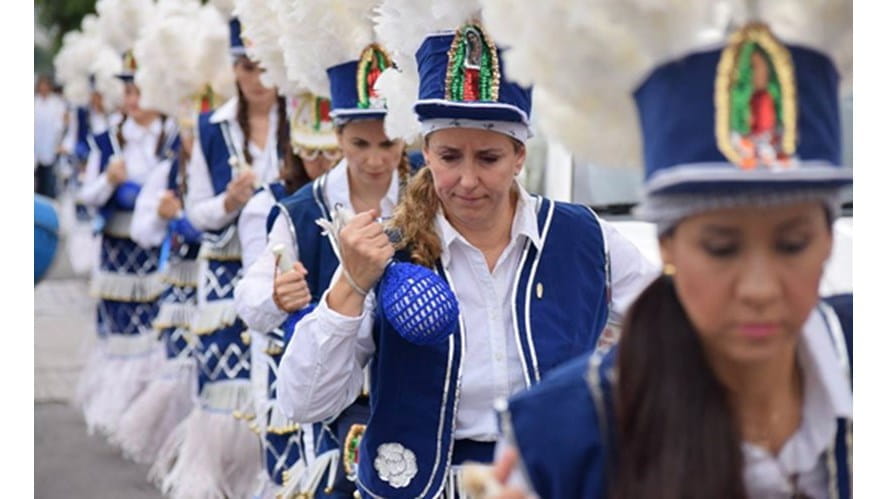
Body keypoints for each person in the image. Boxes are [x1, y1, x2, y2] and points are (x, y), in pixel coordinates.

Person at [478, 3, 853, 498]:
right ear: (667, 245)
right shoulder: (561, 438)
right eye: (721, 248)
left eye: (792, 245)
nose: (760, 289)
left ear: (827, 239)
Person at [275, 16, 656, 498]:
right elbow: (303, 401)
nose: (469, 180)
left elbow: (671, 326)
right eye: (450, 157)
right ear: (426, 153)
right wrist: (349, 285)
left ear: (519, 155)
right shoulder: (386, 250)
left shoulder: (582, 237)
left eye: (489, 158)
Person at [235, 38, 412, 496]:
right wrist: (276, 295)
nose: (375, 159)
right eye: (360, 143)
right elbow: (250, 299)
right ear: (337, 137)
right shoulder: (300, 211)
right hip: (333, 403)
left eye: (388, 143)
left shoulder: (428, 197)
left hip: (414, 392)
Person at [149, 18, 285, 499]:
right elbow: (197, 212)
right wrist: (229, 201)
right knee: (226, 385)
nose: (257, 78)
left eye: (264, 66)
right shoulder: (212, 127)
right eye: (246, 67)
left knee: (277, 382)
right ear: (234, 69)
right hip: (225, 275)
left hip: (285, 269)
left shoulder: (301, 118)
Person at [235, 92, 342, 499]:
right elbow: (252, 289)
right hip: (292, 358)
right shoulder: (273, 204)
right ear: (295, 150)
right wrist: (277, 296)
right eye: (313, 152)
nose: (324, 163)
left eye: (332, 151)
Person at [74, 50, 179, 437]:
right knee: (119, 325)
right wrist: (109, 180)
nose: (133, 100)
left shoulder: (174, 137)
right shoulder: (107, 139)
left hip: (157, 248)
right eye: (128, 92)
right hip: (117, 250)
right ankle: (115, 407)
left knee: (155, 325)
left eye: (140, 91)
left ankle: (146, 415)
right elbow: (86, 196)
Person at [35, 74, 68, 198]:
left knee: (50, 183)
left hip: (52, 148)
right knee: (38, 183)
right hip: (36, 149)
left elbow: (62, 125)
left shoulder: (57, 103)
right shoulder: (34, 102)